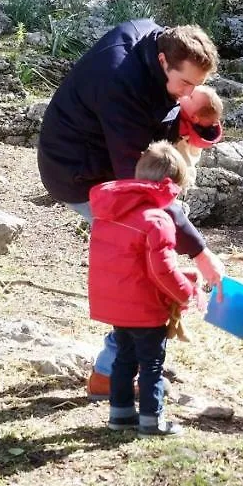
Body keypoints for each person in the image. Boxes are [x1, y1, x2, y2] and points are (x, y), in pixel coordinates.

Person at [36, 19, 225, 398]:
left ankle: (135, 358)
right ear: (162, 61)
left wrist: (183, 120)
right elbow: (143, 191)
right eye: (185, 84)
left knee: (155, 254)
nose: (189, 92)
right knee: (142, 264)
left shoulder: (158, 39)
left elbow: (162, 105)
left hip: (108, 155)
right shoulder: (119, 85)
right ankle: (110, 373)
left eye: (196, 85)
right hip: (78, 172)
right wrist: (201, 254)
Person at [87, 143, 196, 436]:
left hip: (116, 306)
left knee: (124, 358)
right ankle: (152, 420)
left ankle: (119, 414)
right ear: (170, 186)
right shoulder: (157, 220)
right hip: (146, 309)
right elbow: (162, 271)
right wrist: (186, 293)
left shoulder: (109, 212)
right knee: (151, 364)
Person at [173, 84, 224, 193]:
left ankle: (185, 186)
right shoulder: (196, 122)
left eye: (190, 97)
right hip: (187, 151)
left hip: (182, 154)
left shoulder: (184, 128)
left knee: (185, 166)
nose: (186, 94)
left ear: (194, 117)